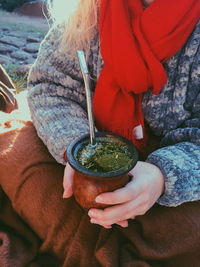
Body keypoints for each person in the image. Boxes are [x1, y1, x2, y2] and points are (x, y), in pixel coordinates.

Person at [0, 0, 200, 266]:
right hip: (82, 157)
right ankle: (118, 252)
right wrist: (74, 145)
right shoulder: (88, 9)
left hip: (169, 185)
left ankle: (81, 246)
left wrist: (165, 176)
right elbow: (50, 84)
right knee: (12, 152)